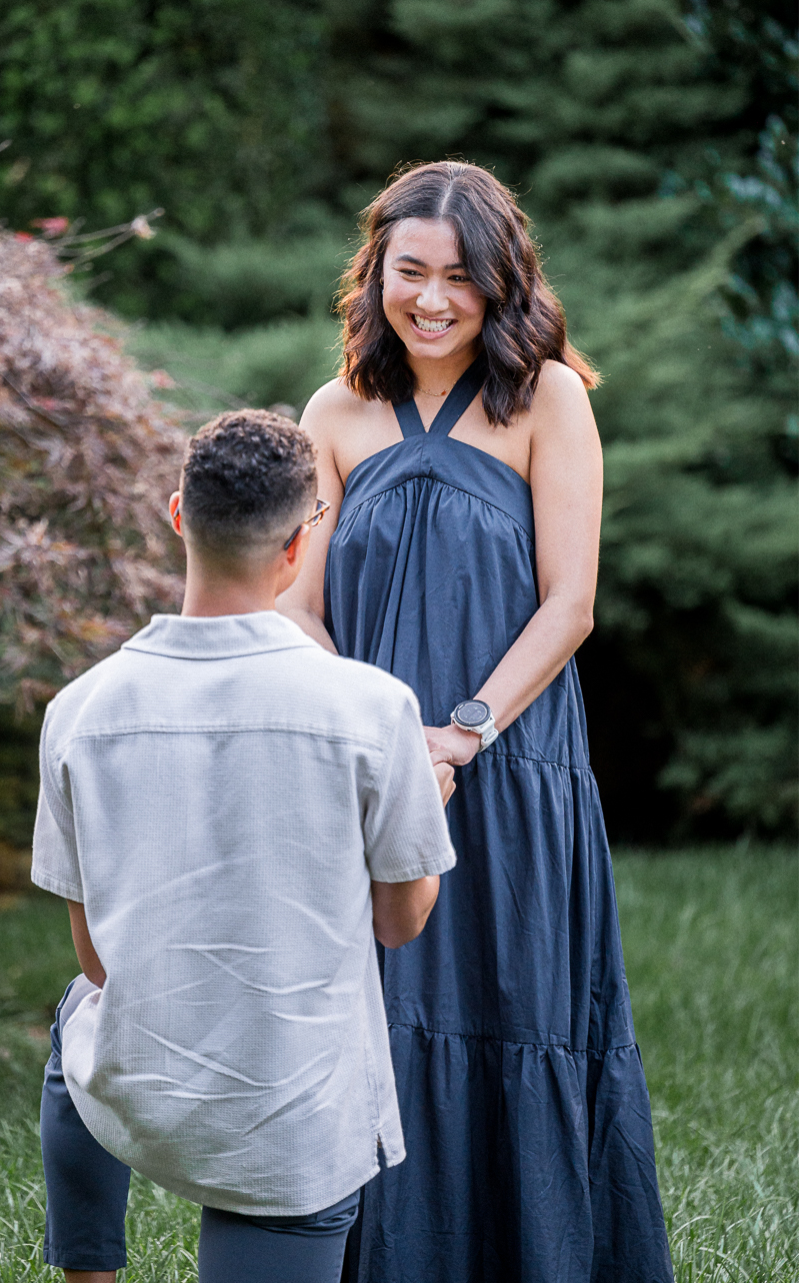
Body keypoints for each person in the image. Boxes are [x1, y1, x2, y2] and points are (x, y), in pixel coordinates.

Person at [279, 161, 674, 1283]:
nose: (435, 299)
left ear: (502, 283)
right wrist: (382, 737)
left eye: (461, 277)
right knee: (383, 1023)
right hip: (369, 776)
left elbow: (571, 601)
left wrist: (459, 732)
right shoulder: (332, 413)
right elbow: (298, 606)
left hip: (510, 768)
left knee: (515, 1008)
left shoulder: (549, 399)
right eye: (411, 272)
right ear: (376, 274)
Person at [31, 408, 458, 1283]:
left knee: (75, 1020)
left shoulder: (78, 711)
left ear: (180, 514)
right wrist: (430, 803)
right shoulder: (373, 709)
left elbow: (97, 958)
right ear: (302, 545)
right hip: (291, 1120)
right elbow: (399, 925)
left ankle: (89, 1274)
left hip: (137, 1086)